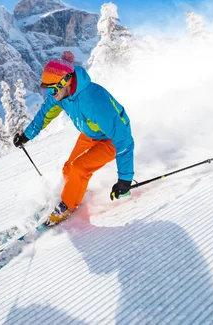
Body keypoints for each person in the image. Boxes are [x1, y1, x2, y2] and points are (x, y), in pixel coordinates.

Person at [13, 51, 134, 226]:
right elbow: (44, 115)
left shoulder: (94, 100)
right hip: (91, 134)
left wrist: (125, 179)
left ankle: (67, 206)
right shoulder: (61, 95)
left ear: (66, 81)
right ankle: (72, 192)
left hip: (111, 138)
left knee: (79, 168)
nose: (50, 94)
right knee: (68, 168)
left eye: (52, 89)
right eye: (46, 90)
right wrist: (26, 135)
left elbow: (124, 139)